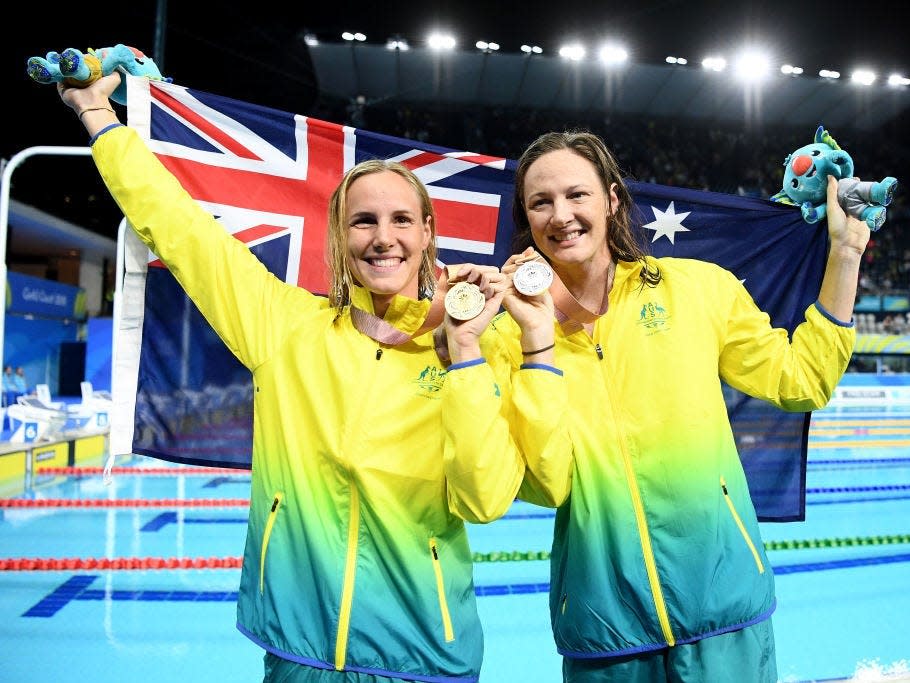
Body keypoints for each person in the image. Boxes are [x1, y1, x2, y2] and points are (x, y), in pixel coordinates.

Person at [56, 71, 530, 683]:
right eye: (363, 222)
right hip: (300, 653)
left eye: (401, 221)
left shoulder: (479, 341)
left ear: (428, 233)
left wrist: (465, 356)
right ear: (338, 236)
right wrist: (98, 116)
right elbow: (179, 227)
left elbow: (486, 500)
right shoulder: (284, 327)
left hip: (424, 655)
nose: (383, 239)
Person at [484, 130, 868, 682]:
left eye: (577, 195)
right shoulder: (509, 337)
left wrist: (846, 253)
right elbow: (544, 483)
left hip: (725, 612)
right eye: (540, 202)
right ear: (525, 217)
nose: (560, 215)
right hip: (605, 630)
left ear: (612, 199)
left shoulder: (696, 290)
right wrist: (535, 338)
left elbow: (801, 379)